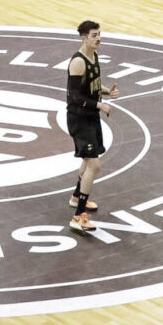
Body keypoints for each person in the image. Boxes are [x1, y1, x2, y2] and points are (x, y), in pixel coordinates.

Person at [62, 19, 119, 233]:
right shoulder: (77, 62)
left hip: (91, 116)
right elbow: (74, 96)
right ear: (84, 37)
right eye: (94, 35)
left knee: (88, 163)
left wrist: (106, 92)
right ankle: (78, 216)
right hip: (79, 118)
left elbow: (92, 85)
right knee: (94, 165)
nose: (99, 38)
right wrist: (100, 105)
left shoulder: (93, 56)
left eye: (99, 34)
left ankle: (77, 197)